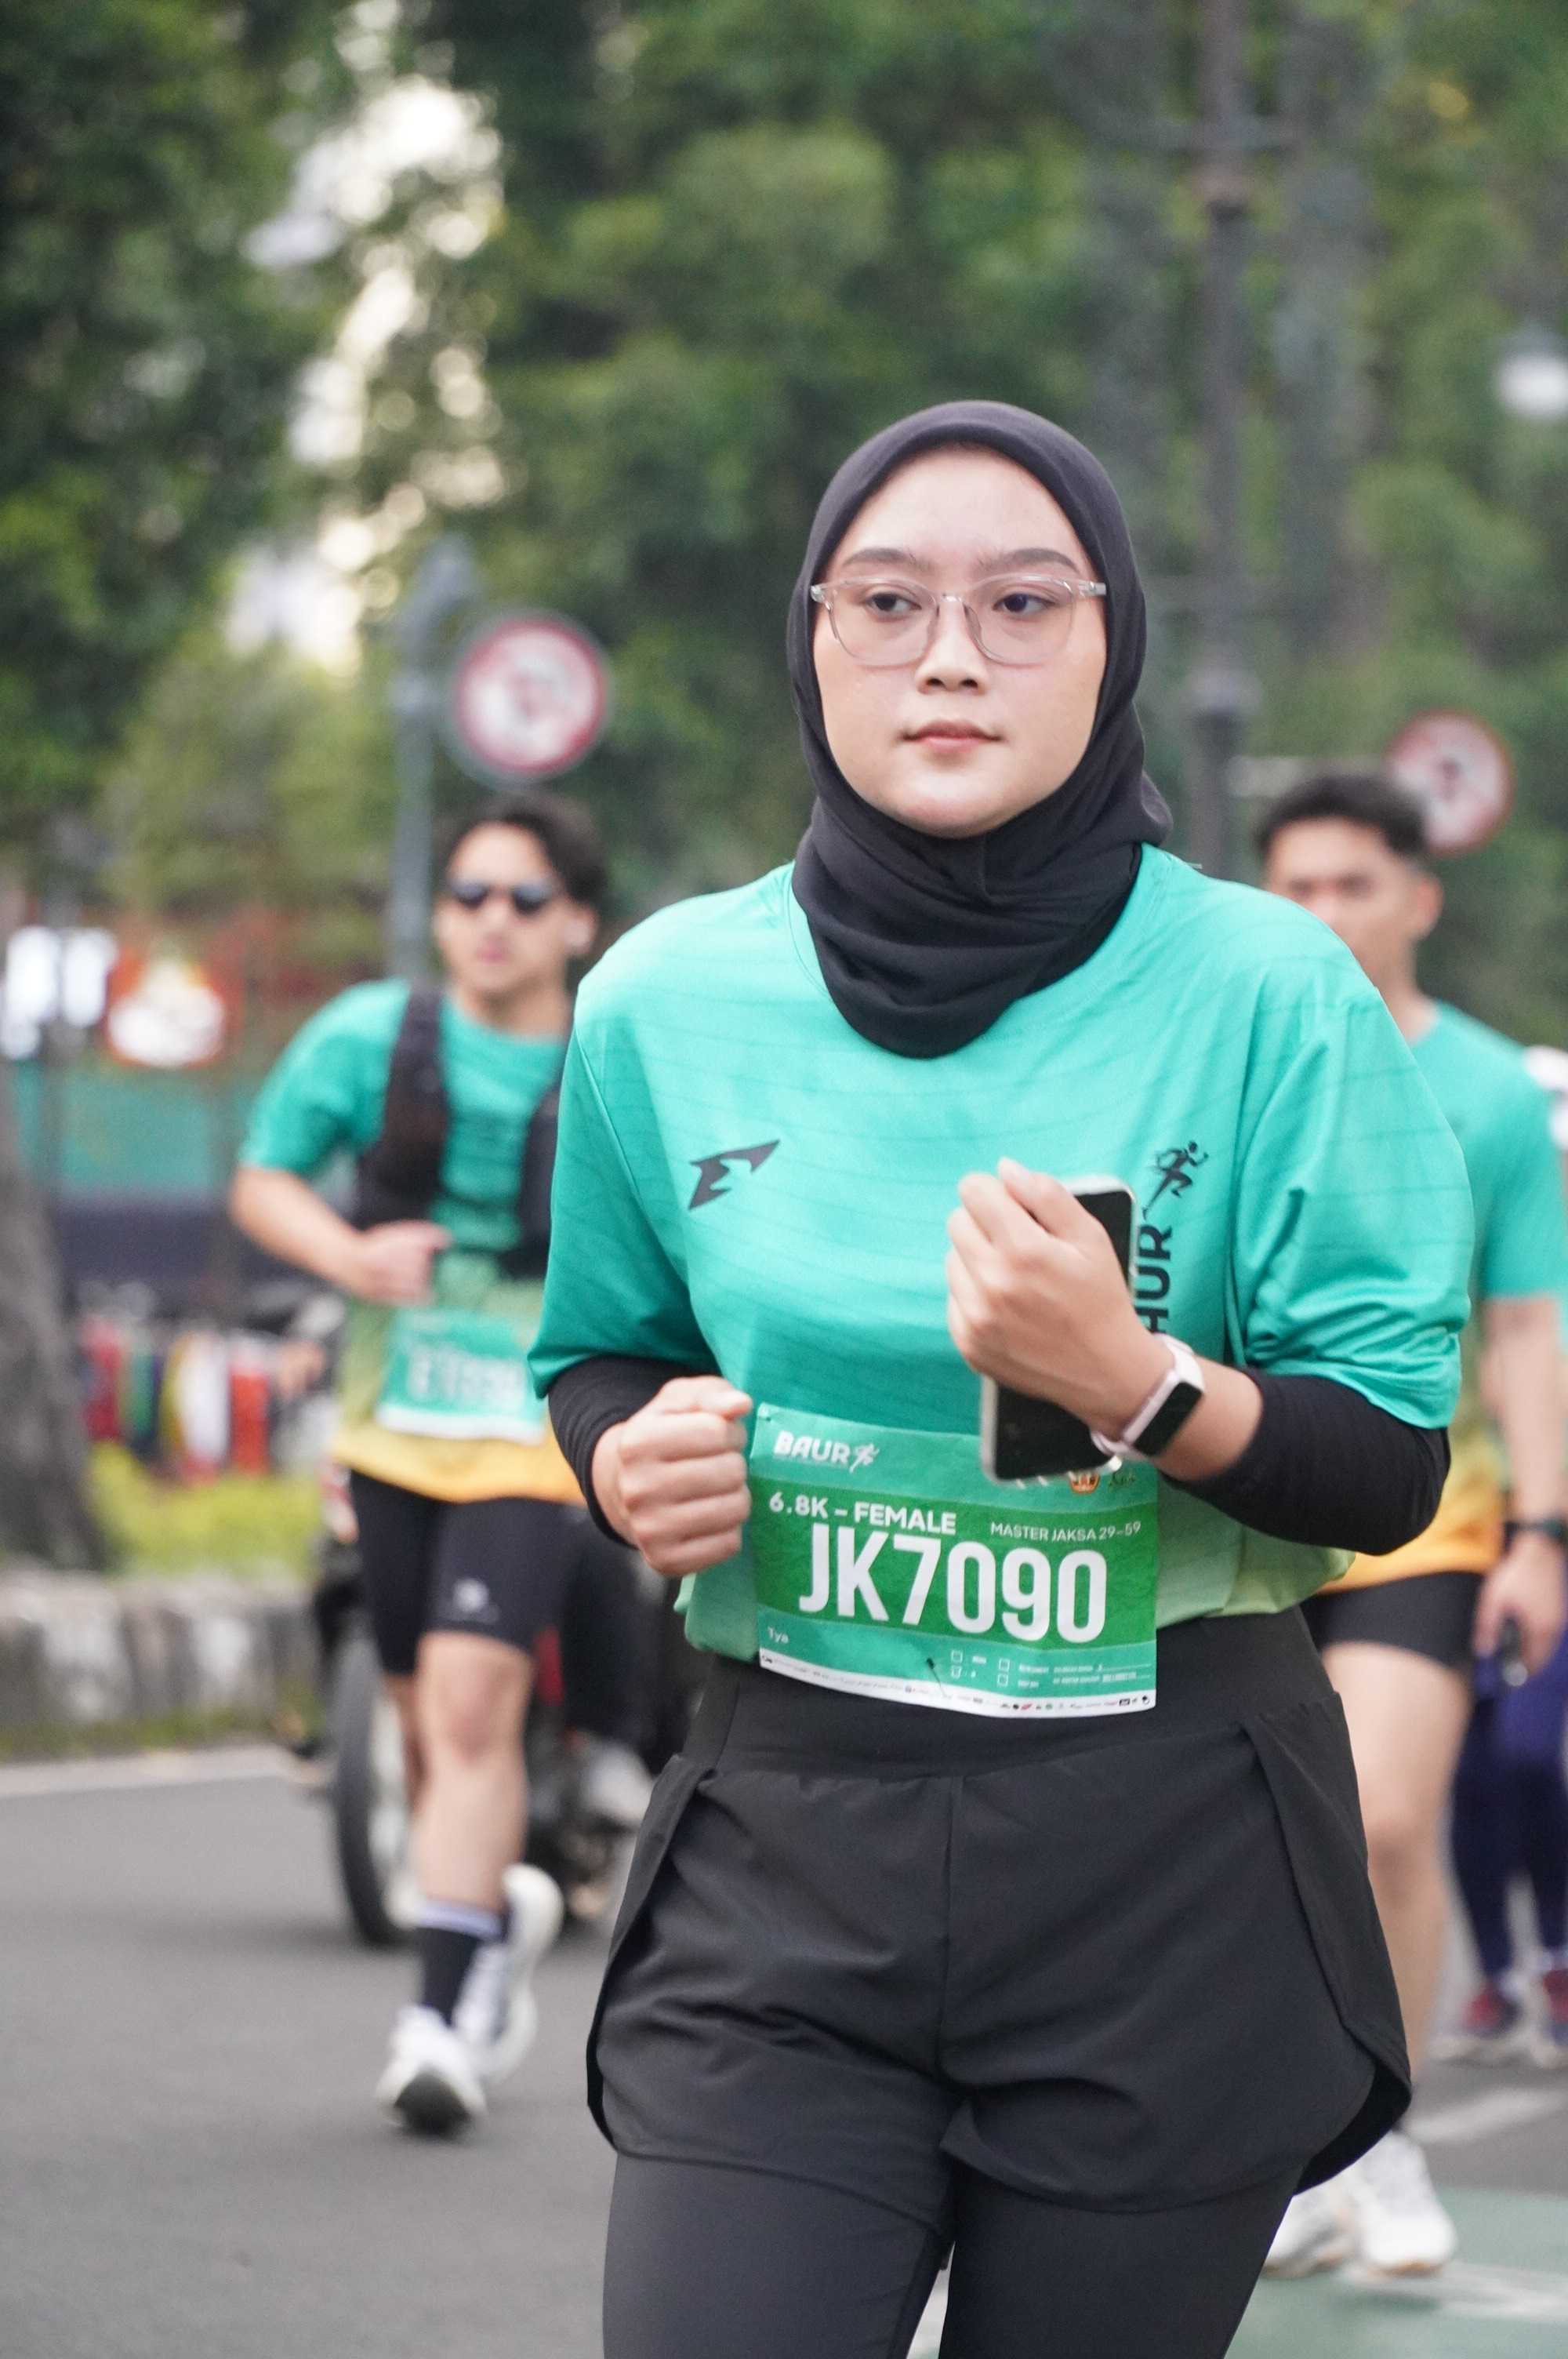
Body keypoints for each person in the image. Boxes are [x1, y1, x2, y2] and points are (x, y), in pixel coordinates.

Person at [528, 401, 1474, 2359]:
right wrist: (629, 1456)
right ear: (812, 640)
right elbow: (603, 1349)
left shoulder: (1270, 992)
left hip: (1169, 1852)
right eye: (886, 602)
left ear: (1111, 639)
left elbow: (1387, 1458)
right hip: (791, 1834)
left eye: (1022, 603)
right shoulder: (661, 1002)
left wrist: (1132, 1382)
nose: (947, 655)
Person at [230, 789, 654, 2134]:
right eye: (467, 895)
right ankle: (489, 1931)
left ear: (577, 922)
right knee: (422, 1721)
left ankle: (435, 2021)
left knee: (471, 1708)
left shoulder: (617, 1056)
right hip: (389, 1420)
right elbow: (265, 1177)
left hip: (534, 1430)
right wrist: (349, 1256)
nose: (490, 922)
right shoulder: (369, 1038)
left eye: (525, 899)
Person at [1258, 772, 1568, 2272]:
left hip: (1423, 1515)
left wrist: (1544, 1536)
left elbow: (1523, 1328)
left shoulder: (1493, 1094)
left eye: (1354, 885)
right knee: (1241, 1848)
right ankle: (1280, 2147)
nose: (1325, 914)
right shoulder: (1235, 1063)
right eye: (1297, 889)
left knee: (1384, 1820)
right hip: (1238, 1506)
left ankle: (1377, 2140)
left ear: (1419, 899)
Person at [1437, 1044, 1568, 2068]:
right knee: (1469, 1775)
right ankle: (1496, 1974)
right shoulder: (1490, 1270)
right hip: (1476, 1532)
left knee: (1527, 1756)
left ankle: (1556, 1955)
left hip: (1550, 1545)